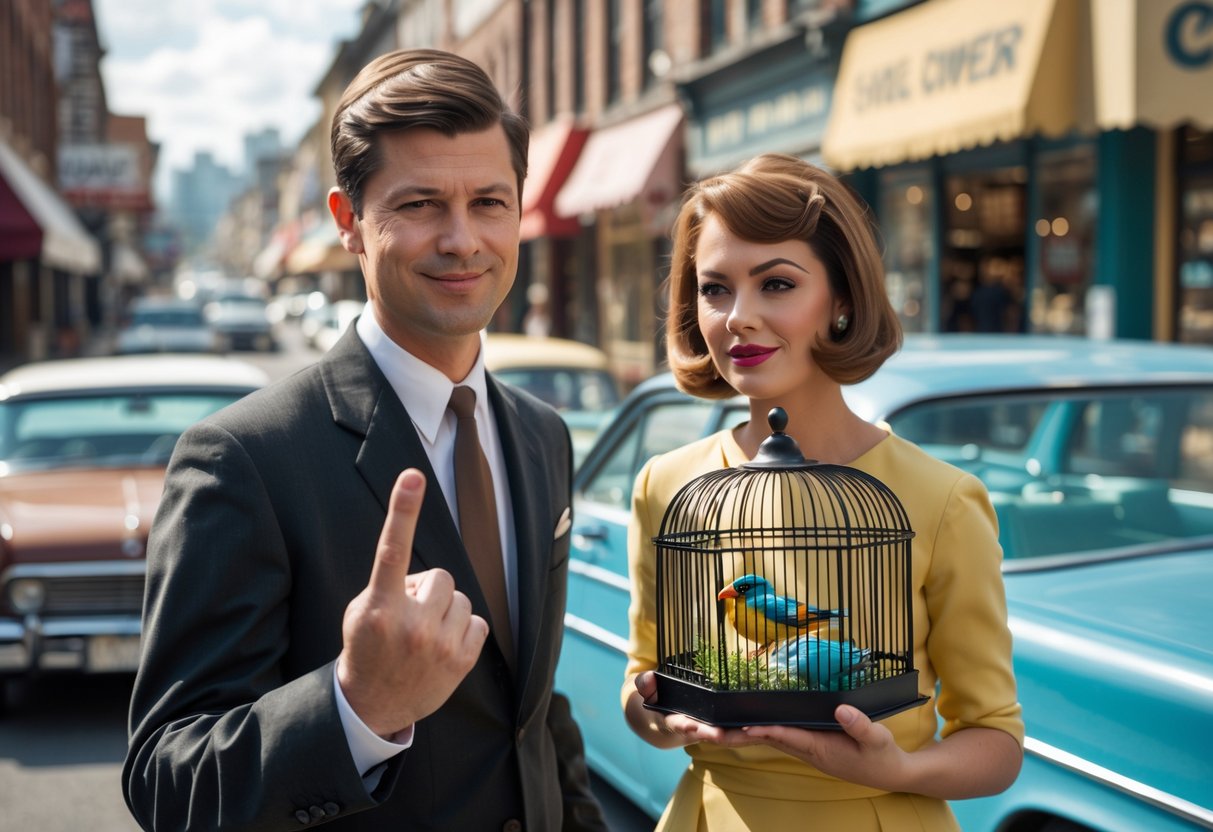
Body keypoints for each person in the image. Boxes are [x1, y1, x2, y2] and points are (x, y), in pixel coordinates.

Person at [123, 49, 606, 831]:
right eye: (418, 205)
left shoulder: (540, 434)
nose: (462, 240)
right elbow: (168, 783)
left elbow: (531, 712)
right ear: (348, 221)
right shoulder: (243, 460)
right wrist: (356, 705)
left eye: (489, 201)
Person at [621, 153, 1024, 830]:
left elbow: (995, 740)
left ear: (840, 299)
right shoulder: (666, 483)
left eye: (775, 284)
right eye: (715, 289)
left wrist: (898, 768)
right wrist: (668, 720)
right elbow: (642, 689)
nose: (738, 317)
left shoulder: (941, 499)